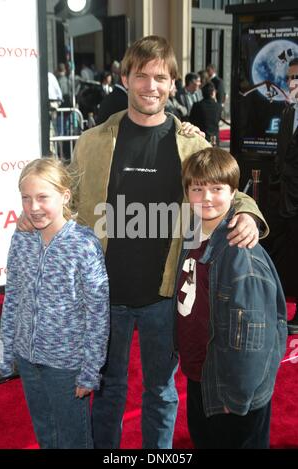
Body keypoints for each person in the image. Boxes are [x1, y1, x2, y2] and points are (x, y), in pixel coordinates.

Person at [19, 36, 267, 449]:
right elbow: (69, 198)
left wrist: (248, 214)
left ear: (173, 85)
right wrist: (36, 212)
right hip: (103, 296)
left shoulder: (192, 142)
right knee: (109, 391)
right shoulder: (93, 141)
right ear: (126, 79)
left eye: (160, 78)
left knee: (161, 392)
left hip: (165, 295)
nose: (150, 86)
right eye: (141, 77)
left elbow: (227, 187)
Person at [175, 147, 287, 449]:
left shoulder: (240, 253)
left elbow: (254, 335)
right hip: (204, 377)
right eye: (198, 189)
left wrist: (236, 395)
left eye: (216, 189)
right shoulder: (196, 234)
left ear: (234, 193)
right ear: (187, 192)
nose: (207, 197)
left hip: (231, 391)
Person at [0, 158, 110, 449]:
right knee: (46, 436)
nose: (33, 207)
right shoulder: (21, 239)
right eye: (26, 198)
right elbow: (13, 300)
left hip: (67, 366)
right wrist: (5, 352)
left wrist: (90, 369)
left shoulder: (84, 245)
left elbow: (97, 314)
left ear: (65, 196)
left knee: (74, 440)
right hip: (27, 360)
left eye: (42, 197)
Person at [263, 57, 298, 335]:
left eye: (296, 77)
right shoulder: (288, 111)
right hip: (284, 196)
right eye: (289, 78)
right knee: (283, 253)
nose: (291, 83)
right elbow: (281, 153)